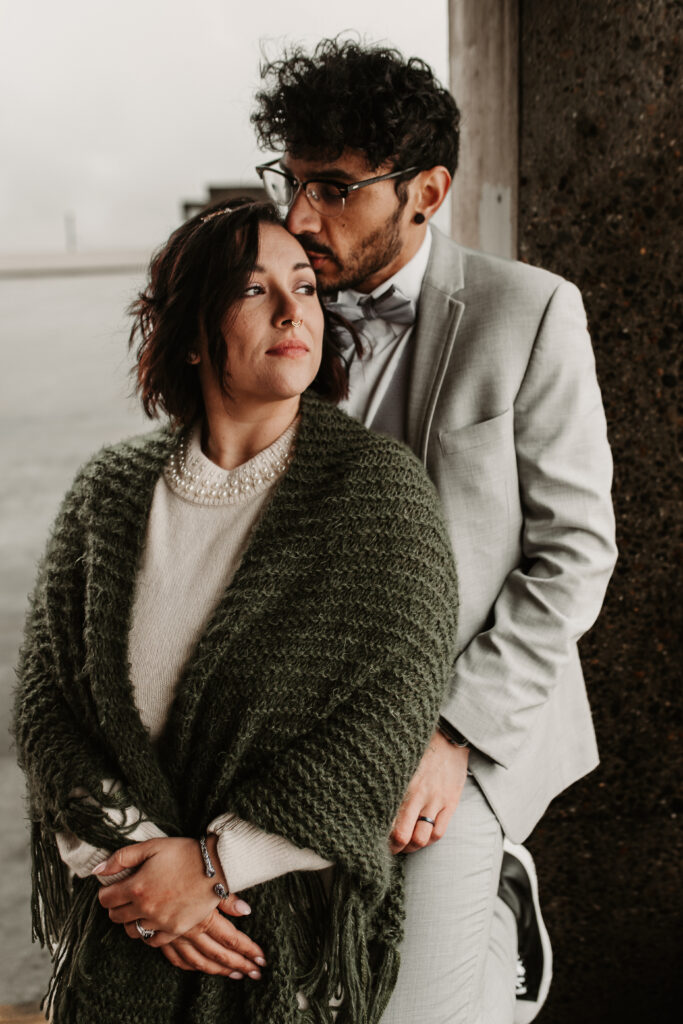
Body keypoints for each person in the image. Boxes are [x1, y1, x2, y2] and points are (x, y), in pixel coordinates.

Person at [13, 198, 460, 1024]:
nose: (294, 312)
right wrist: (139, 873)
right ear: (191, 333)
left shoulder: (375, 493)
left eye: (306, 287)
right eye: (255, 291)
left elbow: (383, 726)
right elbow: (48, 710)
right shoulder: (106, 495)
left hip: (276, 940)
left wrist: (213, 870)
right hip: (125, 921)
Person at [248, 38, 618, 1024]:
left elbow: (573, 549)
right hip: (298, 729)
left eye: (334, 188)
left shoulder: (528, 311)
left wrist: (454, 736)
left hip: (458, 731)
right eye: (289, 182)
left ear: (427, 189)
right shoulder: (268, 303)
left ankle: (492, 911)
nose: (298, 216)